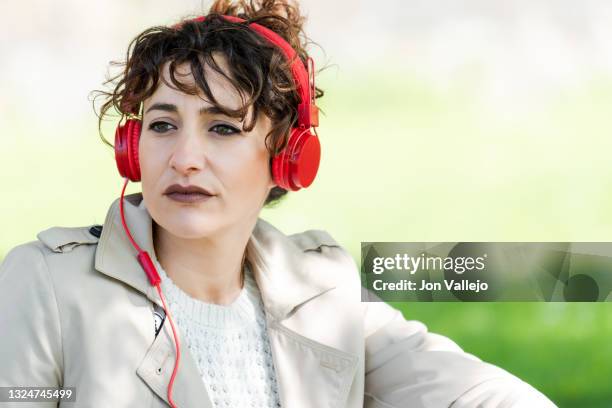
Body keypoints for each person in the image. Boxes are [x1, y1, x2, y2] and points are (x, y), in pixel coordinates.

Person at [0, 1, 557, 407]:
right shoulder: (46, 283)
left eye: (222, 128)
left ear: (288, 158)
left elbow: (478, 393)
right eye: (163, 125)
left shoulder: (324, 287)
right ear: (131, 148)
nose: (185, 157)